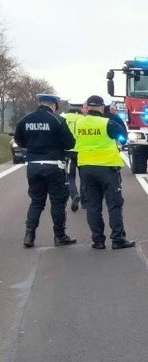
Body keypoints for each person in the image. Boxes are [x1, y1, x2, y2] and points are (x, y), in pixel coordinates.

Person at [14, 93, 77, 248]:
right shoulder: (58, 120)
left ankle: (29, 236)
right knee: (57, 201)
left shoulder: (25, 120)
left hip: (33, 165)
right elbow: (70, 143)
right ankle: (59, 236)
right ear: (54, 105)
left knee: (36, 201)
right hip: (54, 165)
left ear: (40, 103)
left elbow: (18, 140)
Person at [76, 95, 135, 250]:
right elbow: (123, 138)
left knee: (93, 206)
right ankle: (117, 239)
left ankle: (98, 241)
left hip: (86, 168)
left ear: (87, 107)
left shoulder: (78, 123)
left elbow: (72, 141)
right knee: (114, 205)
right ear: (102, 107)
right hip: (107, 168)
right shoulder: (107, 123)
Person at [61, 100, 86, 212]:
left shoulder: (62, 118)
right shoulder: (84, 119)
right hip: (82, 152)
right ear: (81, 108)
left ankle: (74, 195)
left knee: (70, 177)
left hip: (68, 152)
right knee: (83, 176)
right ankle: (85, 201)